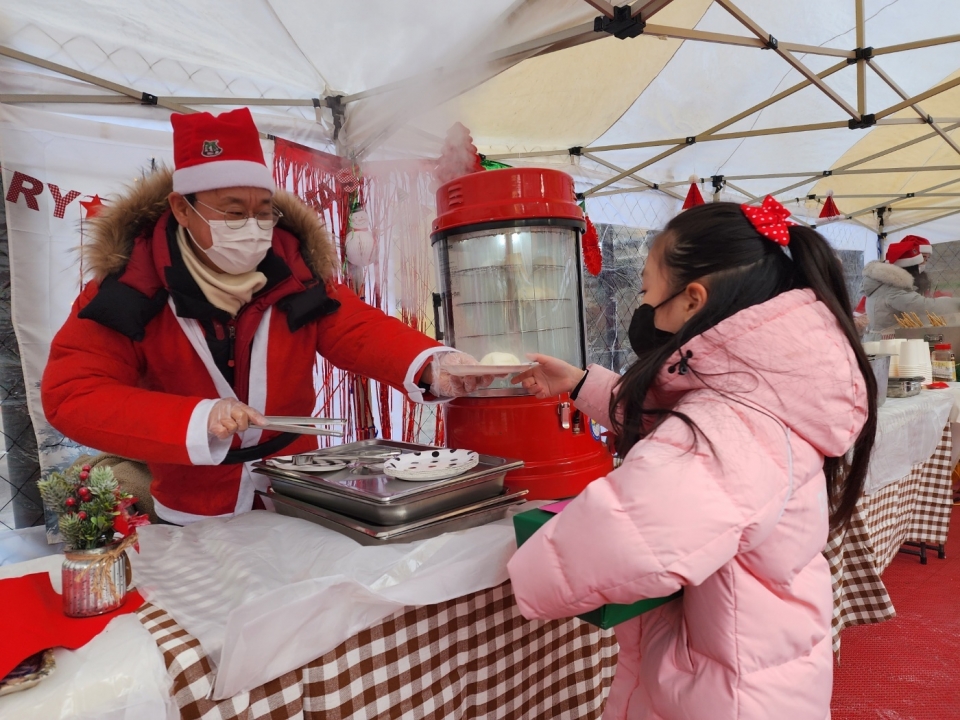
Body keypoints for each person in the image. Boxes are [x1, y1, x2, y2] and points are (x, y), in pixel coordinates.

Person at [506, 197, 877, 720]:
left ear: (692, 300)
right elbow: (677, 416)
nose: (644, 312)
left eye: (648, 295)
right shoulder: (767, 386)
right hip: (746, 669)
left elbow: (625, 540)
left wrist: (523, 565)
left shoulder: (732, 424)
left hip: (725, 695)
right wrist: (581, 384)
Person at [41, 108, 489, 525]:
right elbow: (73, 394)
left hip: (296, 490)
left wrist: (431, 362)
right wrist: (196, 417)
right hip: (195, 507)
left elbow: (352, 327)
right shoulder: (130, 286)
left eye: (262, 211)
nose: (253, 228)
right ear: (181, 208)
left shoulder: (293, 268)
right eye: (233, 212)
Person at [861, 238, 960, 331]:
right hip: (885, 343)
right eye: (917, 266)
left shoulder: (884, 284)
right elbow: (923, 306)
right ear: (908, 269)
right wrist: (957, 303)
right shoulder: (893, 290)